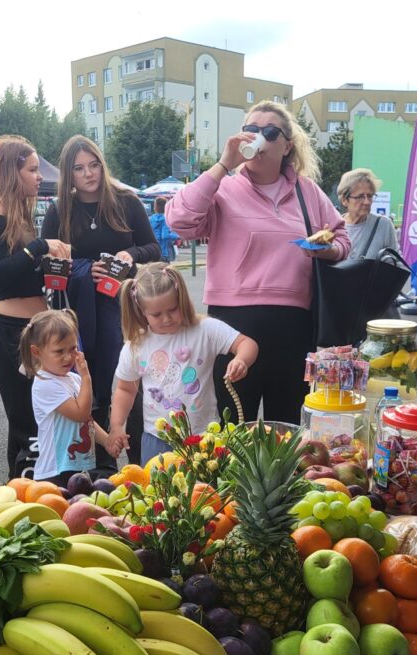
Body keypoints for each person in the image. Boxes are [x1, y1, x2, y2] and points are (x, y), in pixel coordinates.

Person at [167, 100, 350, 424]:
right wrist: (223, 164)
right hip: (233, 322)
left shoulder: (307, 191)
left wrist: (327, 250)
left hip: (294, 324)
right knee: (233, 425)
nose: (258, 137)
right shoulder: (223, 187)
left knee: (288, 426)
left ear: (287, 146)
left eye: (269, 132)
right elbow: (179, 220)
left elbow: (342, 238)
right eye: (250, 129)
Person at [41, 135, 161, 468]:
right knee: (86, 386)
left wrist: (130, 254)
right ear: (69, 174)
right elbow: (46, 264)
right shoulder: (60, 210)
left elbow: (154, 249)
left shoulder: (126, 202)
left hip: (124, 311)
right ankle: (97, 468)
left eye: (94, 165)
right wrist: (81, 268)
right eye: (79, 168)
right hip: (78, 316)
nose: (89, 174)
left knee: (130, 386)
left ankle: (140, 466)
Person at [0, 135, 71, 479]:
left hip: (33, 330)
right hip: (11, 335)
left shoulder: (18, 214)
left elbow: (21, 273)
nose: (39, 176)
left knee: (39, 419)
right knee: (25, 424)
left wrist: (53, 267)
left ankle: (31, 489)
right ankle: (22, 490)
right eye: (32, 170)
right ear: (10, 172)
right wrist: (39, 247)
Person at [109, 263, 258, 463]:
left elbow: (247, 344)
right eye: (156, 314)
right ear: (141, 311)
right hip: (157, 438)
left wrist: (241, 360)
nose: (166, 319)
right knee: (156, 483)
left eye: (173, 309)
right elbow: (125, 389)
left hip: (204, 435)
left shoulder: (205, 329)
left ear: (182, 300)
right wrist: (116, 426)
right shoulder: (136, 345)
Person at [20, 309, 114, 484]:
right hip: (55, 472)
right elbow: (81, 414)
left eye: (73, 348)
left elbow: (87, 422)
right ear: (36, 352)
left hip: (74, 467)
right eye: (59, 351)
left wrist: (107, 441)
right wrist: (86, 378)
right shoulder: (45, 384)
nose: (68, 357)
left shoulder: (73, 379)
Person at [338, 168, 401, 319]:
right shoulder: (334, 226)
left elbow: (396, 265)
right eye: (360, 197)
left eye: (370, 196)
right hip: (342, 307)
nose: (366, 202)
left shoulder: (383, 224)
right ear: (345, 200)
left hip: (374, 309)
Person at [149, 197, 180, 262]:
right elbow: (165, 236)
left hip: (153, 250)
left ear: (155, 207)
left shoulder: (150, 219)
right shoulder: (166, 219)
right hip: (164, 251)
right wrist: (178, 236)